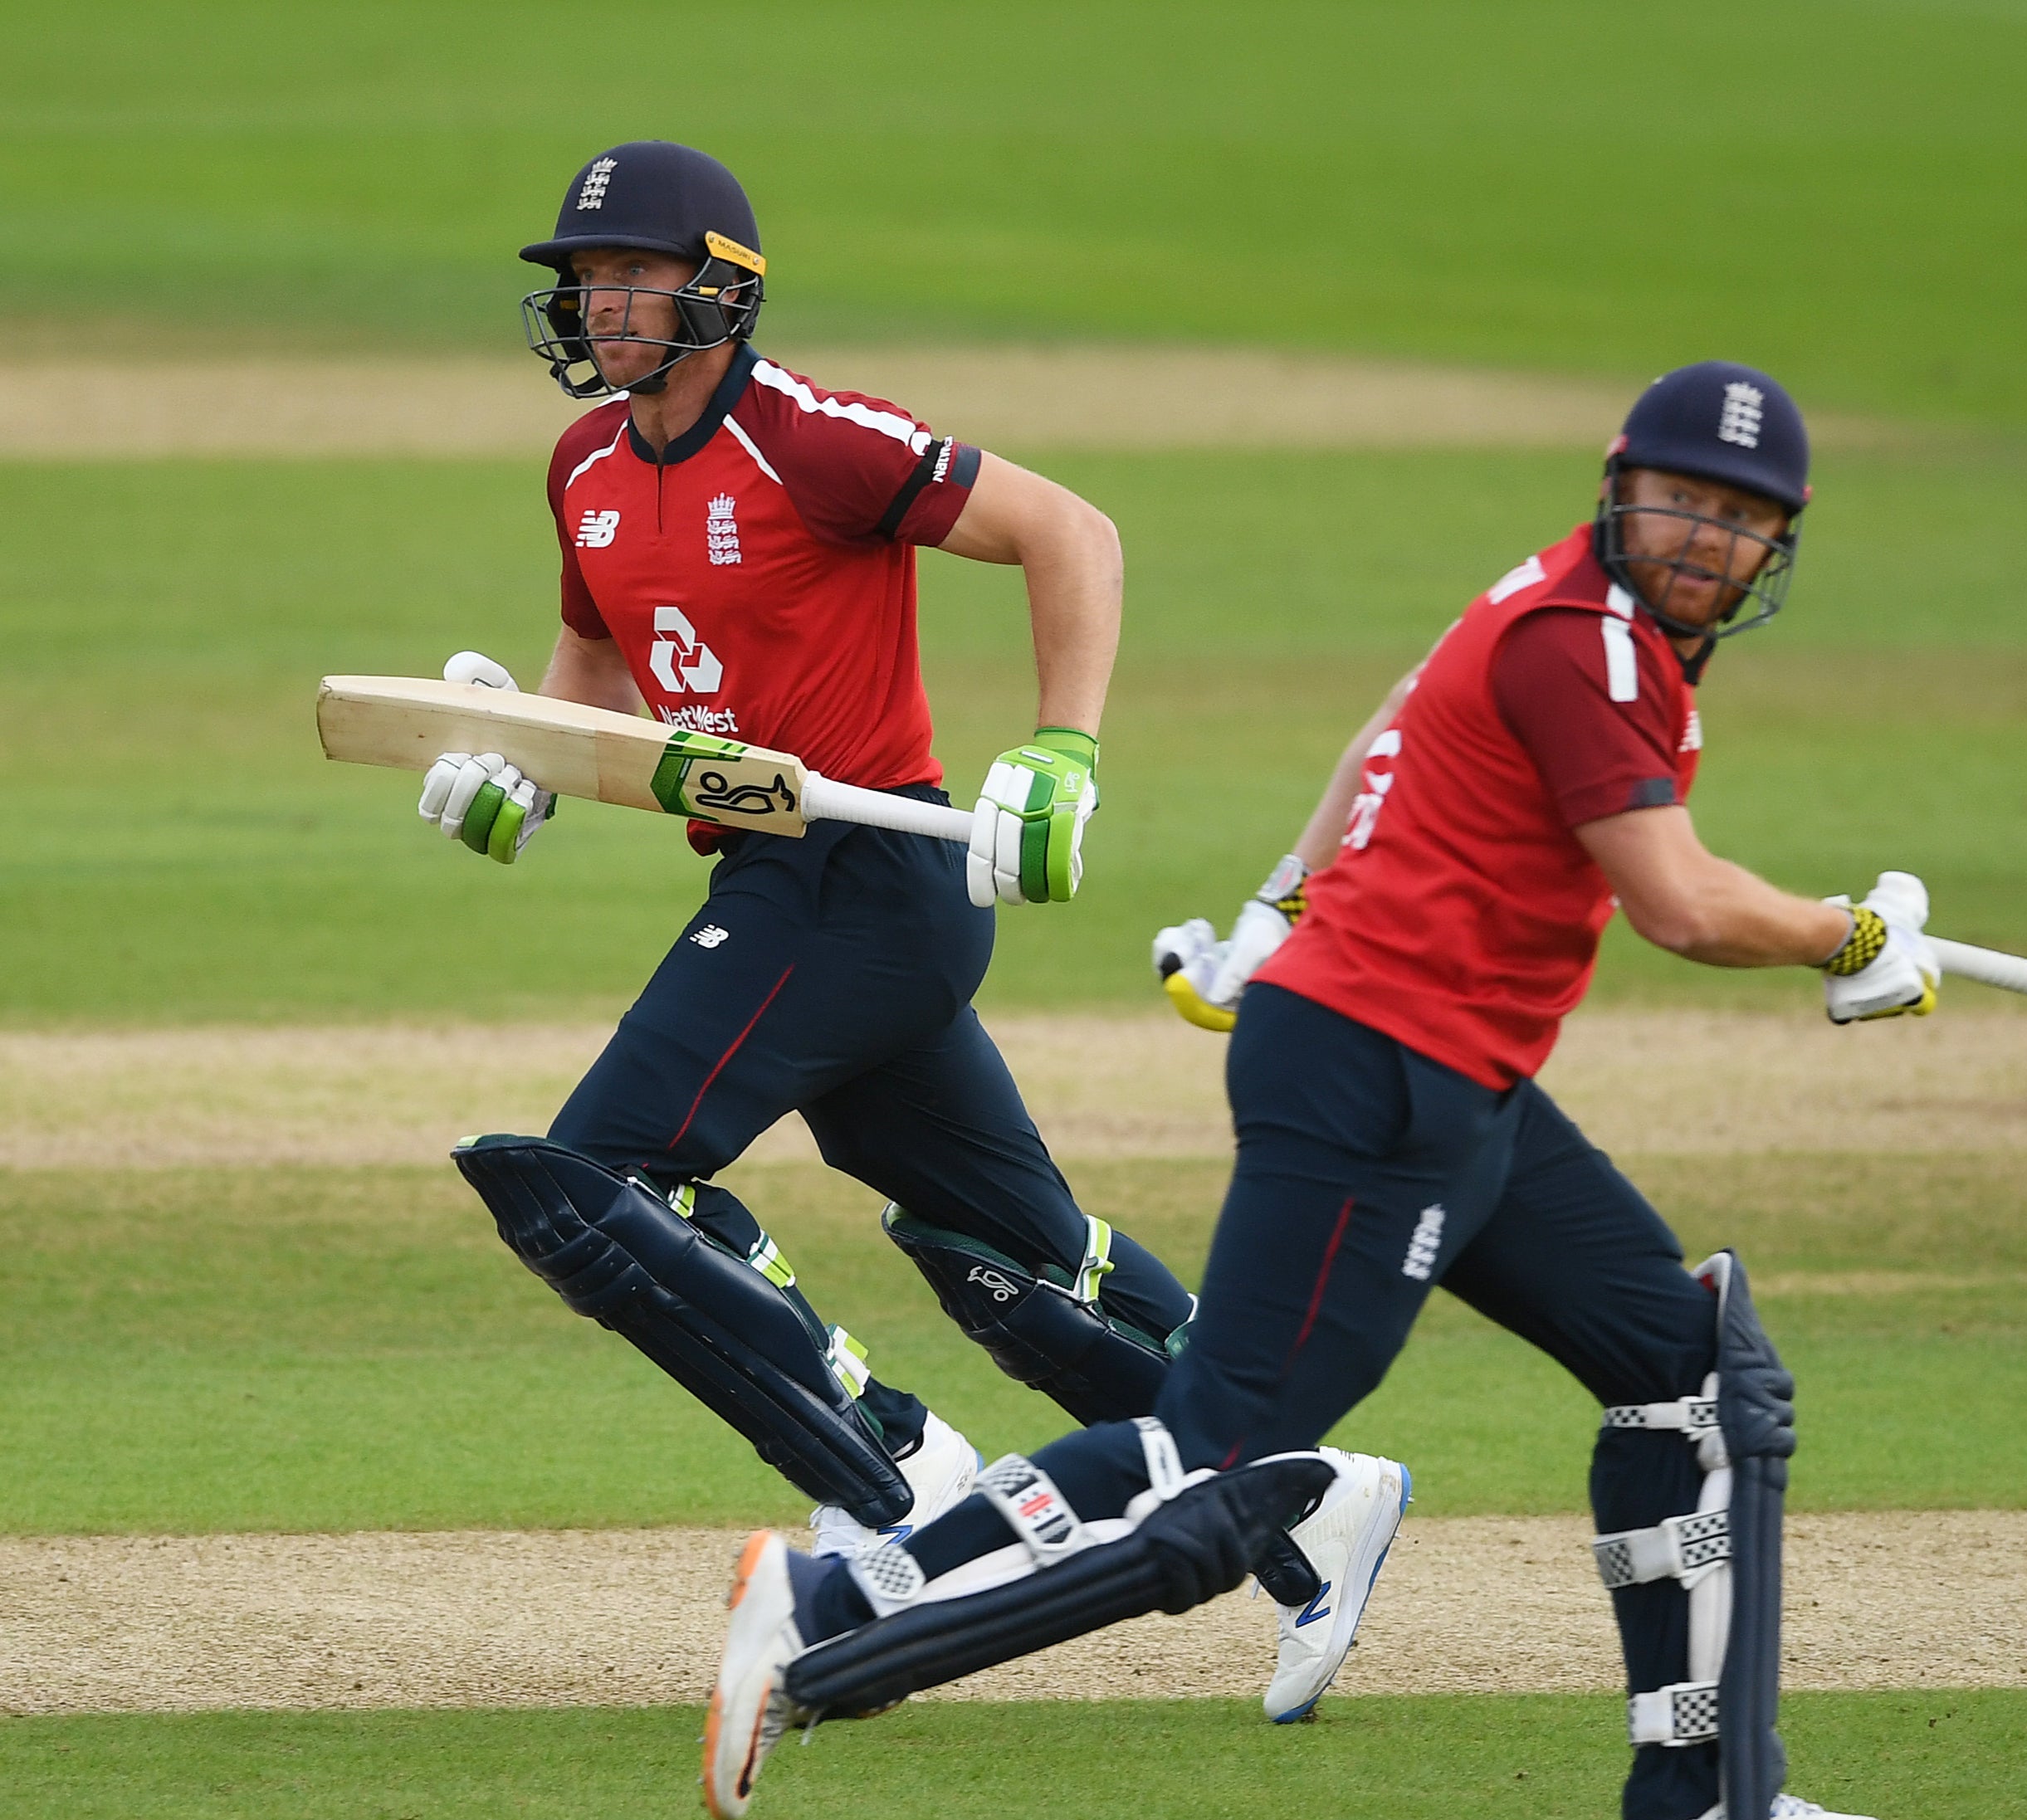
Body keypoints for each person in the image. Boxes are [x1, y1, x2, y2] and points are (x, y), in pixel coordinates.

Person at [705, 361, 1919, 1820]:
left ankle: (1702, 1802)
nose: (1703, 537)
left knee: (1685, 1373)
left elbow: (1384, 734)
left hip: (1450, 1074)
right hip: (1381, 1070)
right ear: (1620, 489)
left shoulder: (1549, 603)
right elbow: (1677, 903)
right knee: (1217, 1466)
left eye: (1741, 519)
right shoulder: (1584, 645)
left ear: (1775, 549)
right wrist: (1850, 941)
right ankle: (834, 1614)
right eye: (1683, 499)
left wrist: (1275, 910)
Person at [418, 140, 1404, 1731]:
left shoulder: (813, 438)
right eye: (583, 280)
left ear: (720, 290)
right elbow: (591, 690)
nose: (599, 304)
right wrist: (507, 769)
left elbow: (1070, 530)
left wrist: (1063, 747)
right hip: (777, 888)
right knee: (1012, 1267)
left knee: (600, 1179)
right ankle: (1308, 1493)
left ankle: (885, 1456)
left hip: (864, 882)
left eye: (632, 275)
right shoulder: (583, 469)